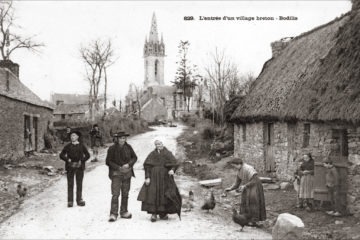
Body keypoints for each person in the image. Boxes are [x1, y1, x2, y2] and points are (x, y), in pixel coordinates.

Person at [137, 138, 182, 222]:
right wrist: (147, 177)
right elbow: (147, 166)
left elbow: (175, 163)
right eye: (157, 144)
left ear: (163, 144)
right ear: (155, 145)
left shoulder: (168, 153)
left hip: (165, 177)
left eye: (160, 143)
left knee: (164, 194)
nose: (159, 145)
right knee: (153, 194)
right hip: (153, 177)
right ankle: (153, 214)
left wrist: (172, 170)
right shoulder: (152, 154)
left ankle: (163, 213)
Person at [105, 131, 137, 222]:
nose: (122, 140)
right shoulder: (111, 148)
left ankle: (124, 212)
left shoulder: (129, 147)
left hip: (127, 173)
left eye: (124, 138)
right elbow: (108, 161)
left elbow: (134, 158)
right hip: (116, 174)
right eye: (120, 138)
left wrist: (129, 164)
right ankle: (113, 214)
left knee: (125, 193)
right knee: (115, 194)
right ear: (117, 139)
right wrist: (118, 167)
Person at [225, 158, 266, 226]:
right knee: (244, 201)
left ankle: (254, 221)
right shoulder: (239, 170)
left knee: (253, 202)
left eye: (234, 166)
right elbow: (237, 182)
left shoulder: (248, 168)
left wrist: (245, 186)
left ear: (239, 164)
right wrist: (230, 188)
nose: (234, 167)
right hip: (247, 186)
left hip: (255, 186)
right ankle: (245, 220)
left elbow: (255, 180)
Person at [59, 130, 90, 207]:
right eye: (71, 136)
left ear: (77, 137)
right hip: (70, 167)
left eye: (74, 136)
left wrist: (82, 161)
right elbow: (61, 155)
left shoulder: (82, 146)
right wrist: (67, 159)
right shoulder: (68, 146)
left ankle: (79, 200)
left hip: (79, 167)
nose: (72, 137)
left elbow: (87, 155)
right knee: (70, 184)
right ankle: (70, 201)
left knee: (79, 183)